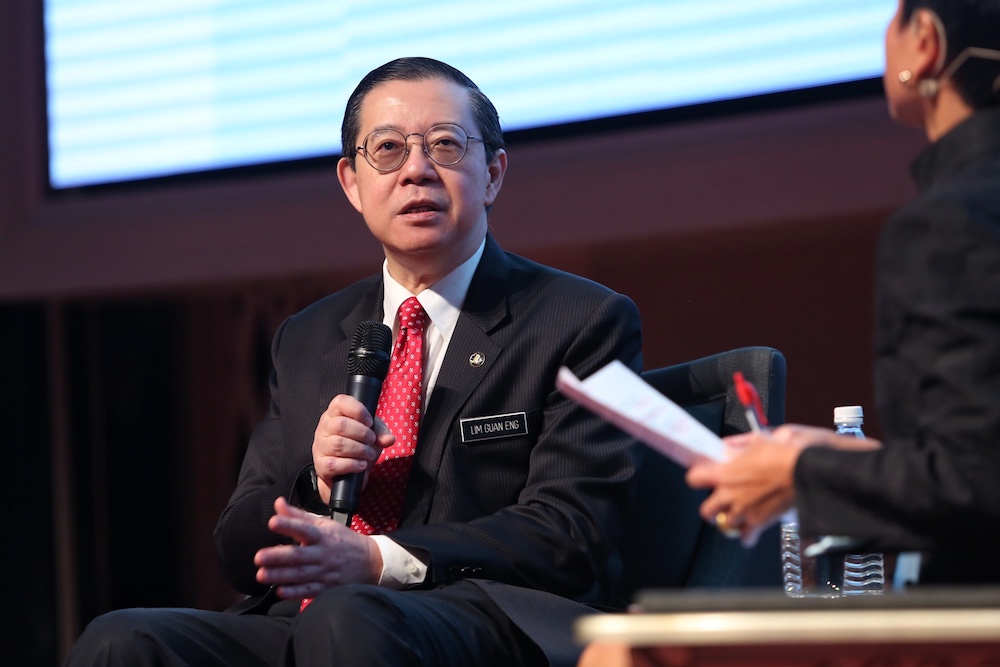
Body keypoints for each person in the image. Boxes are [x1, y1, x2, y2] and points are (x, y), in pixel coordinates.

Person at [65, 57, 643, 667]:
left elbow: (571, 530)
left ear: (493, 174)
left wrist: (375, 560)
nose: (417, 170)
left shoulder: (580, 318)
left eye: (445, 145)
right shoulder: (309, 337)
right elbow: (237, 550)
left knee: (348, 616)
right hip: (313, 619)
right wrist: (313, 486)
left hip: (486, 617)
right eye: (388, 149)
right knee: (122, 639)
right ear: (351, 183)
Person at [686, 0, 1000, 585]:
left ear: (925, 43)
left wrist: (800, 473)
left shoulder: (953, 222)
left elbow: (977, 484)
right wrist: (858, 462)